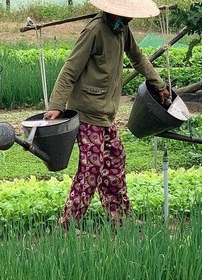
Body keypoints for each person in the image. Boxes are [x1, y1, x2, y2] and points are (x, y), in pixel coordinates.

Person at [44, 0, 170, 229]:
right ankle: (67, 226)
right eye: (126, 13)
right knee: (91, 169)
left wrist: (158, 84)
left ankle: (120, 220)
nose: (130, 17)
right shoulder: (94, 30)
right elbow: (70, 69)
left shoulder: (122, 29)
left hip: (105, 115)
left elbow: (139, 58)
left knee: (115, 161)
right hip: (87, 113)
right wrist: (56, 105)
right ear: (112, 10)